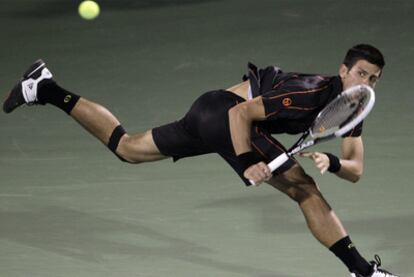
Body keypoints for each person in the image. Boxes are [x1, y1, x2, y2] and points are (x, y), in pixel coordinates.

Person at [3, 44, 398, 277]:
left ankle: (45, 88)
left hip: (208, 117)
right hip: (222, 113)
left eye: (374, 78)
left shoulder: (352, 108)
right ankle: (366, 272)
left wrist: (332, 159)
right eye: (361, 73)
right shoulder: (310, 92)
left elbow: (356, 171)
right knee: (305, 190)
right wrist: (245, 161)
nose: (366, 83)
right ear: (343, 70)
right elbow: (240, 115)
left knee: (128, 148)